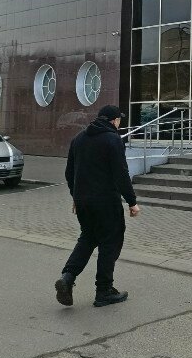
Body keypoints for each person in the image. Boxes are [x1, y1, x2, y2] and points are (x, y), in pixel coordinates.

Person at [55, 105, 140, 308]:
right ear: (114, 120)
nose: (119, 123)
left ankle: (67, 277)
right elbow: (121, 173)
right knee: (110, 243)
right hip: (106, 202)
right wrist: (132, 201)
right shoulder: (113, 140)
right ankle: (104, 291)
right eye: (119, 120)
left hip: (83, 202)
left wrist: (76, 197)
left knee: (87, 238)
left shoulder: (79, 139)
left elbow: (69, 173)